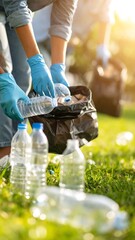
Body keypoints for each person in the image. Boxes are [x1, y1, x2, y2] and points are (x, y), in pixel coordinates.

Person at [0, 0, 78, 163]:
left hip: (21, 11)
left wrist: (58, 67)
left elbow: (62, 21)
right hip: (13, 5)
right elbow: (14, 4)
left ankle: (15, 146)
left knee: (22, 76)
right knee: (5, 72)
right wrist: (36, 60)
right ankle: (3, 149)